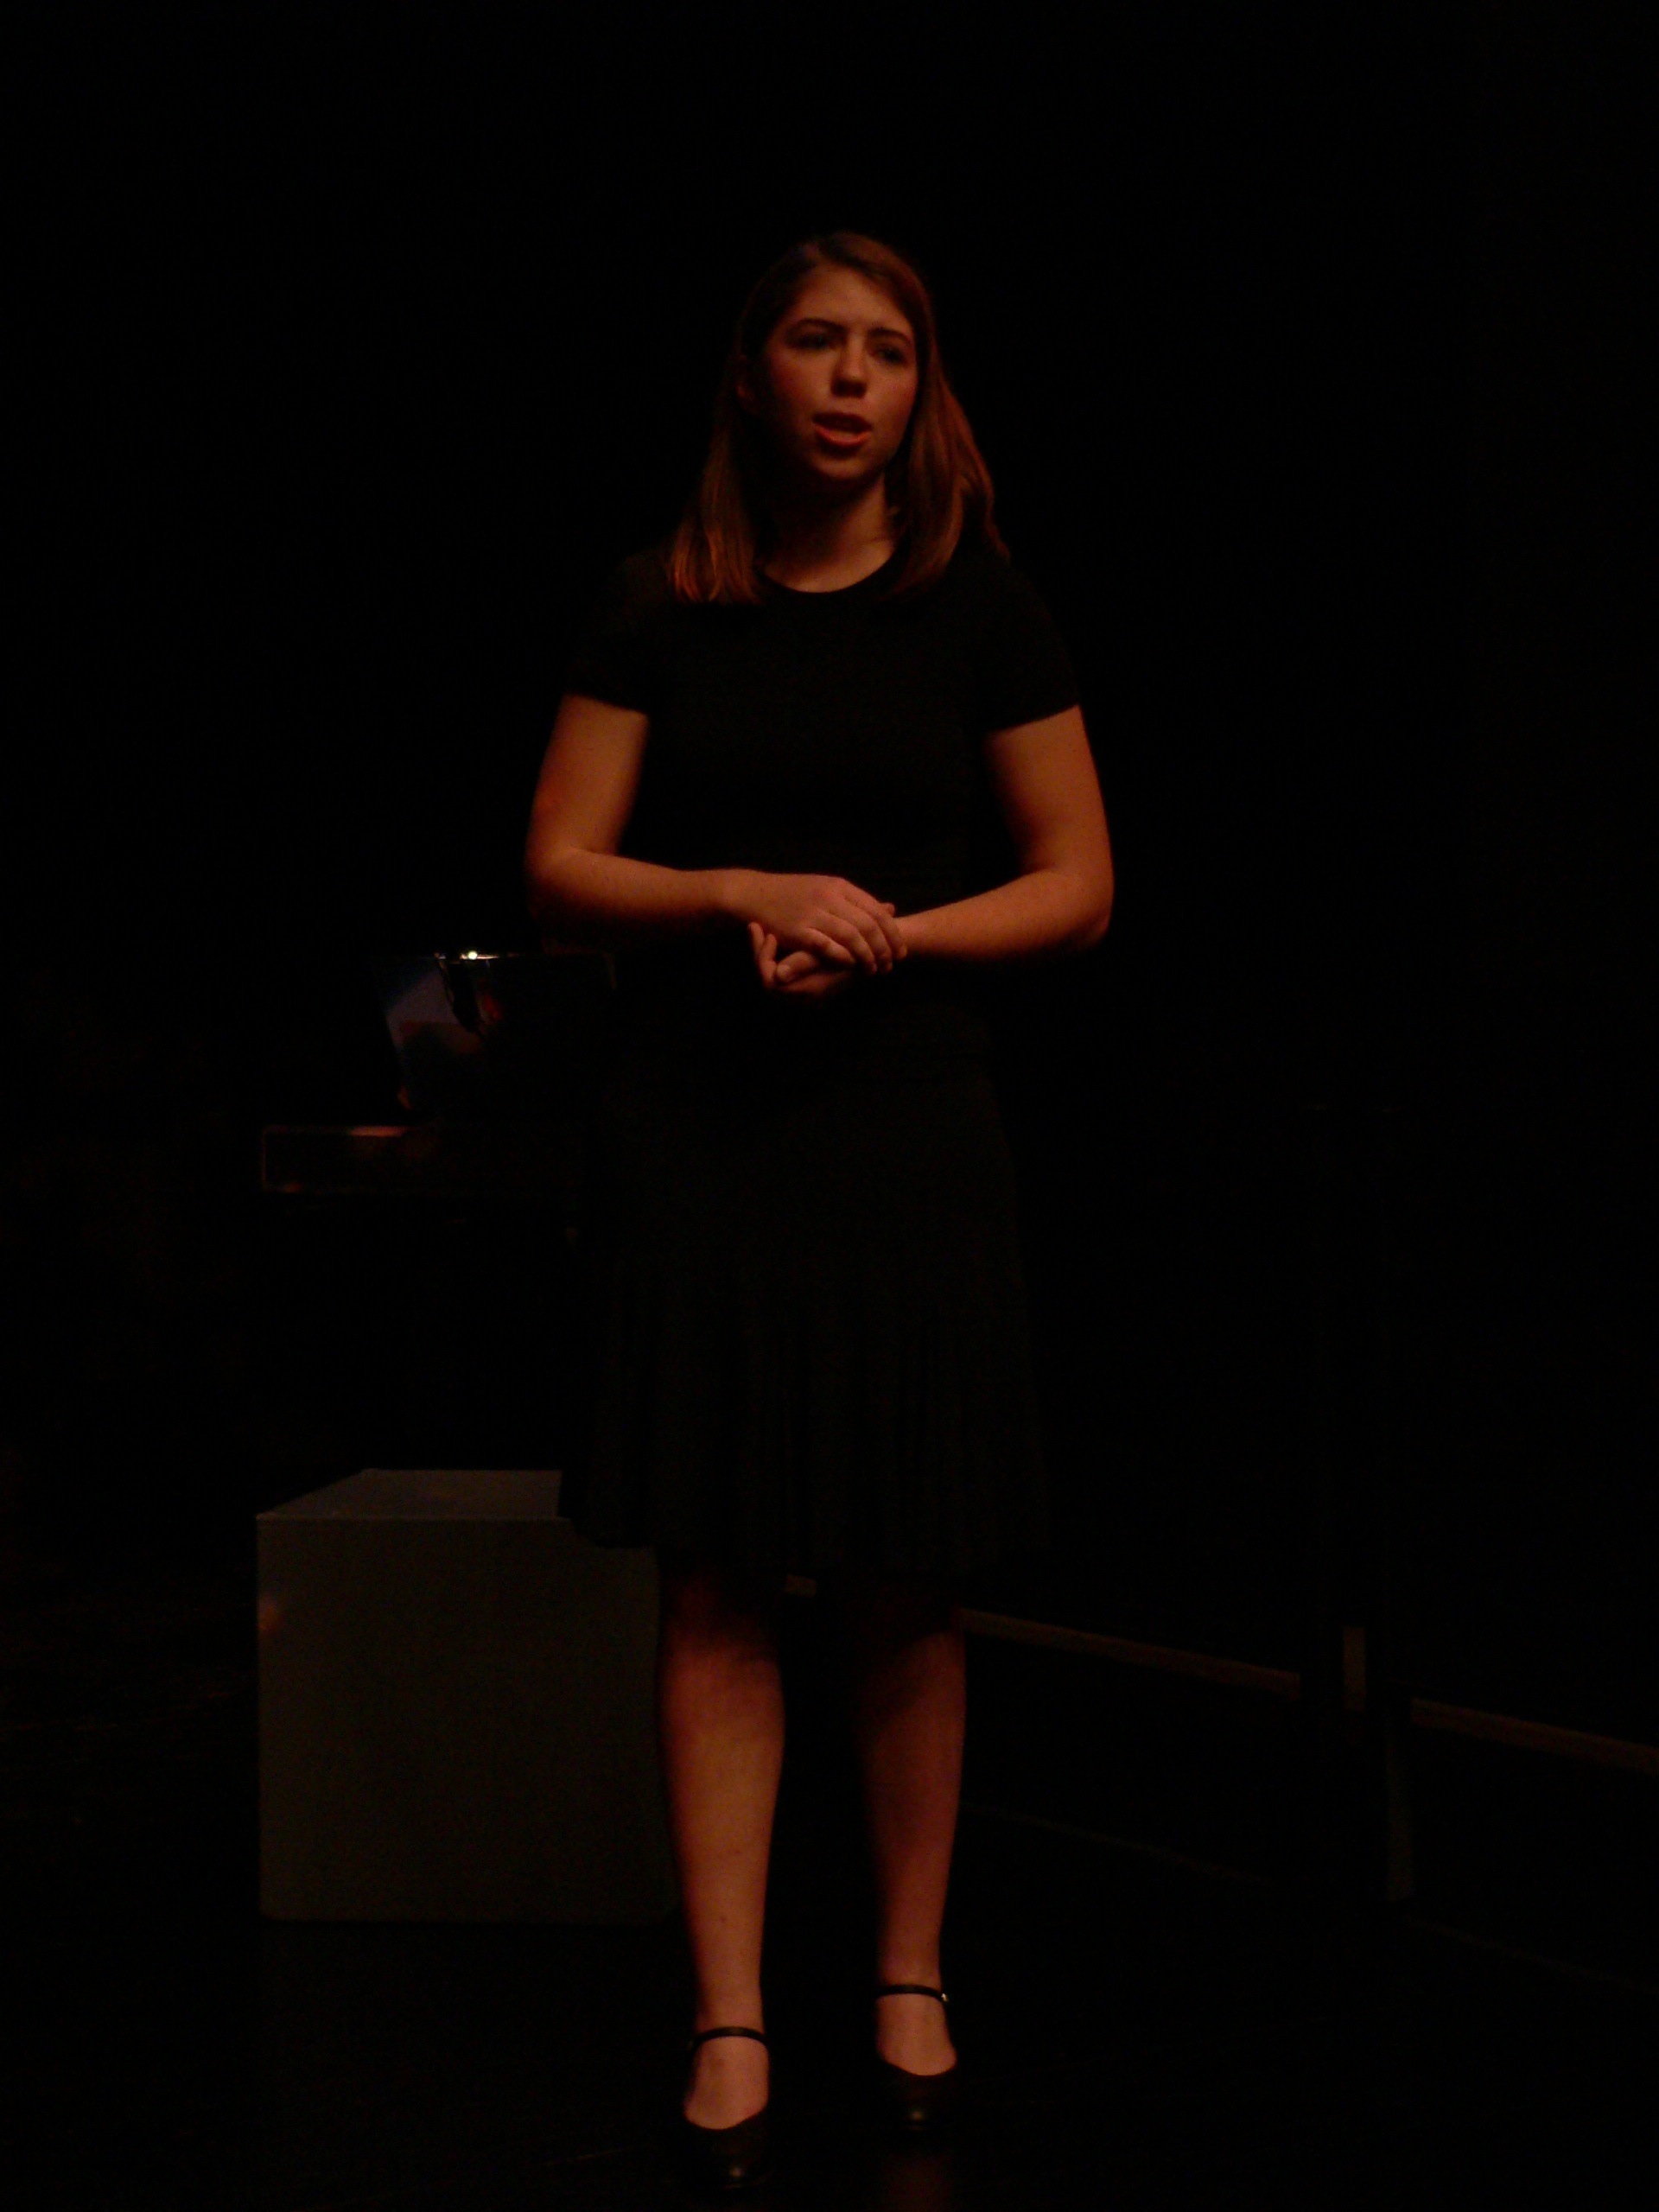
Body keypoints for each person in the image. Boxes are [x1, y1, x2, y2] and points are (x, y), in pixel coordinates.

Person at [523, 229, 1113, 2191]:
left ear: (921, 388)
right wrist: (737, 893)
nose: (852, 378)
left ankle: (908, 1971)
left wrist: (885, 938)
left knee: (902, 1568)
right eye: (815, 341)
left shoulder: (980, 608)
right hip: (702, 1133)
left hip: (906, 1129)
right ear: (752, 371)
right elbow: (560, 863)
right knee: (713, 1572)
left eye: (887, 350)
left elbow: (1080, 880)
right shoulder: (659, 602)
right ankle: (728, 2007)